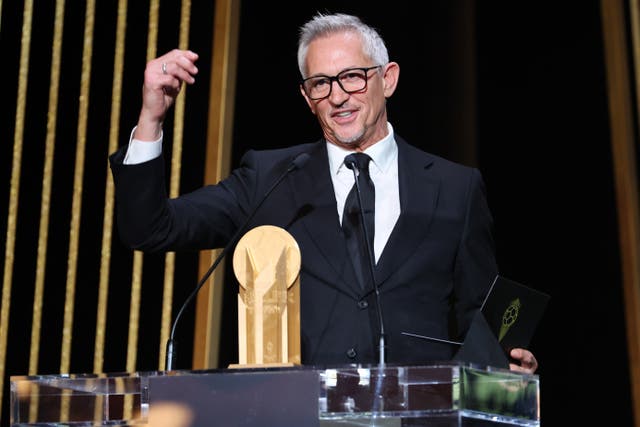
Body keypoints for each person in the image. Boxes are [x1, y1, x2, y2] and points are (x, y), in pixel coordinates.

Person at [109, 12, 538, 373]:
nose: (338, 97)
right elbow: (150, 228)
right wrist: (151, 116)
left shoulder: (455, 188)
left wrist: (504, 366)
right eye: (320, 83)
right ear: (306, 96)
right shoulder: (269, 177)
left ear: (387, 79)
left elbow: (480, 318)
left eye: (352, 77)